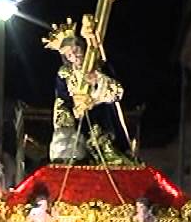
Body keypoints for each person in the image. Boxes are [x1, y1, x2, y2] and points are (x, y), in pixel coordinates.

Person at [43, 19, 132, 164]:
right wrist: (72, 115)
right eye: (69, 55)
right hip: (78, 125)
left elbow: (118, 91)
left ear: (81, 47)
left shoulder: (98, 64)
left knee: (111, 156)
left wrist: (98, 81)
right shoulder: (64, 74)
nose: (74, 56)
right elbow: (62, 101)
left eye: (75, 50)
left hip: (103, 120)